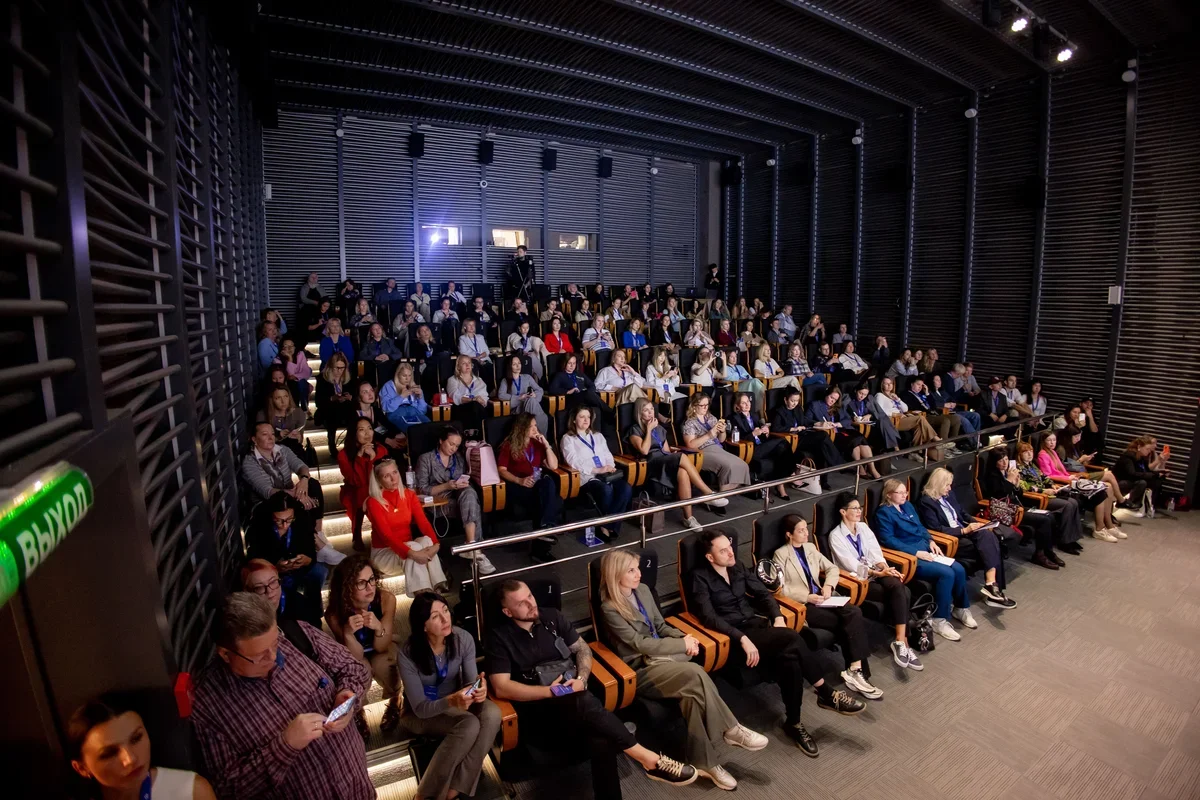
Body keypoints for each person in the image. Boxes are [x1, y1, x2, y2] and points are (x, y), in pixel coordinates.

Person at [487, 580, 698, 794]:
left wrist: (582, 678)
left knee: (602, 739)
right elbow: (501, 687)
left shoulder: (551, 617)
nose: (531, 604)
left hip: (578, 702)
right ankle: (648, 758)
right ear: (507, 612)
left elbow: (583, 649)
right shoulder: (499, 637)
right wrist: (551, 692)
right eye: (521, 603)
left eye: (530, 596)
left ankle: (642, 759)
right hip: (540, 713)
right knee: (586, 708)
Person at [599, 550, 766, 791]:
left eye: (638, 568)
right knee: (695, 673)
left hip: (665, 658)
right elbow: (639, 644)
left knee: (692, 697)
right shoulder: (609, 608)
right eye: (631, 570)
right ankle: (731, 729)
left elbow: (660, 626)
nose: (639, 574)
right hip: (640, 670)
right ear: (616, 575)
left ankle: (706, 763)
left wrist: (684, 638)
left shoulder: (643, 590)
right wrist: (680, 645)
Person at [689, 531, 864, 757]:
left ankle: (794, 723)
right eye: (723, 551)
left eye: (730, 546)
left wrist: (778, 617)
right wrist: (742, 638)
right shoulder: (699, 578)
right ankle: (825, 692)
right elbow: (709, 617)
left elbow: (763, 594)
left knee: (790, 659)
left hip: (756, 629)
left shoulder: (737, 566)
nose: (731, 552)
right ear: (710, 557)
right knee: (791, 638)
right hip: (730, 640)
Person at [192, 593, 373, 800]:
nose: (274, 657)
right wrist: (285, 745)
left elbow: (353, 668)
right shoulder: (207, 705)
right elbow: (228, 789)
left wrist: (347, 695)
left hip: (359, 789)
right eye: (259, 655)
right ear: (226, 654)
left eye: (275, 643)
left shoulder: (296, 635)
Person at [398, 592, 501, 800]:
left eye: (445, 610)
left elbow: (470, 682)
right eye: (435, 616)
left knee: (492, 713)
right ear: (423, 626)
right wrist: (451, 701)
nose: (445, 619)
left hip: (457, 701)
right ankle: (425, 795)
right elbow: (420, 708)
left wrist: (478, 690)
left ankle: (455, 788)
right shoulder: (407, 653)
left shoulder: (462, 638)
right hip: (421, 712)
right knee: (469, 724)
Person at [772, 514, 882, 698]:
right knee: (848, 623)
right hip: (805, 605)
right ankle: (859, 674)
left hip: (825, 598)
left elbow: (832, 568)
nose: (806, 533)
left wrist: (829, 586)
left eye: (806, 529)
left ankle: (855, 670)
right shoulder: (781, 555)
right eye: (800, 531)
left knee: (854, 612)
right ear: (789, 534)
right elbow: (780, 589)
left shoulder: (810, 547)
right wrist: (808, 596)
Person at [827, 494, 922, 669]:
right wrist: (878, 573)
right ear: (843, 512)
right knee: (902, 593)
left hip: (876, 571)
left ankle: (900, 641)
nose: (859, 511)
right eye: (854, 508)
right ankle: (904, 643)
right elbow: (851, 565)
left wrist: (885, 568)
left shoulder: (863, 527)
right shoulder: (836, 536)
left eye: (860, 507)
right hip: (858, 582)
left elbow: (875, 551)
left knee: (898, 585)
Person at [68, 694, 216, 800]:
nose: (130, 759)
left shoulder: (191, 791)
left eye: (136, 738)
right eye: (110, 753)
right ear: (81, 768)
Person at [875, 480, 972, 641]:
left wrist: (931, 540)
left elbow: (920, 527)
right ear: (889, 494)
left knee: (959, 568)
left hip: (926, 548)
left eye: (905, 492)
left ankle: (961, 608)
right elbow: (888, 540)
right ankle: (939, 620)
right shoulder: (884, 513)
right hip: (910, 556)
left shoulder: (907, 506)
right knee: (947, 574)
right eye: (900, 492)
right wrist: (916, 552)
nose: (904, 495)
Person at [324, 555, 402, 738]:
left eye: (372, 579)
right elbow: (355, 656)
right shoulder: (334, 613)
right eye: (361, 583)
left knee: (387, 664)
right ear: (347, 588)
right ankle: (358, 710)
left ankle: (395, 699)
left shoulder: (387, 599)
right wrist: (348, 633)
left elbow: (382, 647)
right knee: (359, 671)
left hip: (381, 645)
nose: (370, 587)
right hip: (355, 653)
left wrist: (378, 627)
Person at [918, 467, 1019, 609]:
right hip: (951, 538)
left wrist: (975, 523)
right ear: (938, 484)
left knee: (988, 535)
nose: (950, 488)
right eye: (947, 485)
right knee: (992, 544)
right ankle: (993, 590)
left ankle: (992, 586)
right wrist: (963, 530)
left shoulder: (949, 495)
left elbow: (962, 513)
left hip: (966, 531)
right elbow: (936, 528)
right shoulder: (926, 502)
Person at [625, 397, 727, 531]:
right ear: (639, 413)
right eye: (646, 410)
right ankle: (708, 493)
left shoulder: (659, 428)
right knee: (682, 457)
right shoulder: (635, 430)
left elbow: (666, 450)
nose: (650, 413)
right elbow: (644, 450)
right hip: (650, 464)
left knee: (683, 472)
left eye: (651, 409)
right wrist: (649, 430)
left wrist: (674, 454)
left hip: (664, 460)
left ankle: (688, 518)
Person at [416, 425, 495, 575]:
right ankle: (476, 552)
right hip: (439, 500)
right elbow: (422, 489)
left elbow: (464, 479)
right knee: (472, 505)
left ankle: (470, 545)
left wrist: (462, 484)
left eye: (457, 446)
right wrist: (447, 485)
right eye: (451, 444)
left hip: (458, 495)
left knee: (469, 493)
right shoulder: (426, 459)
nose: (454, 448)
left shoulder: (458, 458)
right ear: (441, 441)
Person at [245, 491, 328, 626]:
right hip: (273, 574)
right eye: (278, 520)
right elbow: (255, 558)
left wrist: (306, 560)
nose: (284, 525)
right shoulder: (260, 527)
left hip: (298, 568)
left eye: (289, 519)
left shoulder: (301, 520)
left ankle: (315, 616)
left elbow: (310, 551)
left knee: (319, 572)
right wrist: (275, 567)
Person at [365, 458, 447, 592]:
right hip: (384, 554)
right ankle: (424, 593)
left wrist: (436, 544)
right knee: (414, 546)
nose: (393, 479)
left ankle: (438, 585)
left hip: (407, 549)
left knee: (426, 541)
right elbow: (387, 536)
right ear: (378, 480)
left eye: (395, 472)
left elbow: (423, 523)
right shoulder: (373, 502)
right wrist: (413, 553)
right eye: (386, 476)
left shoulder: (409, 495)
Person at [497, 413, 564, 561]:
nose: (535, 429)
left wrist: (546, 445)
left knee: (547, 483)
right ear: (521, 428)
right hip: (517, 485)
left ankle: (545, 529)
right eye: (531, 426)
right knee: (548, 501)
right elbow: (501, 470)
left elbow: (553, 466)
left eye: (535, 426)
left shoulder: (538, 444)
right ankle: (542, 545)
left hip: (536, 484)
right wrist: (519, 480)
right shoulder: (509, 445)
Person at [560, 405, 632, 542]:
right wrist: (597, 470)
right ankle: (611, 527)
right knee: (606, 490)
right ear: (574, 420)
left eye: (588, 417)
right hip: (587, 477)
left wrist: (610, 466)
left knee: (626, 488)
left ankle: (605, 525)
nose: (586, 420)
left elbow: (607, 454)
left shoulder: (598, 436)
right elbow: (573, 462)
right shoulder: (568, 439)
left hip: (606, 474)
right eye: (582, 417)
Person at [983, 451, 1063, 570]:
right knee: (1044, 520)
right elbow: (999, 496)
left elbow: (1019, 494)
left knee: (1049, 515)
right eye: (1000, 460)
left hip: (1018, 507)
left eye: (1006, 459)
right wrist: (1009, 481)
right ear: (995, 463)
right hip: (1005, 511)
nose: (1005, 463)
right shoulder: (992, 476)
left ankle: (1048, 551)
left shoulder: (1008, 472)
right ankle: (1039, 555)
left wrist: (1016, 485)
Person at [1037, 431, 1123, 539]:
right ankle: (1100, 528)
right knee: (1101, 491)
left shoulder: (1053, 452)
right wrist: (1068, 478)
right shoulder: (1042, 455)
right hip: (1063, 483)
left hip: (1070, 478)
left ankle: (1109, 525)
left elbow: (1062, 471)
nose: (1052, 442)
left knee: (1108, 487)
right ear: (1043, 442)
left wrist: (1071, 476)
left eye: (1054, 440)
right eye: (1049, 440)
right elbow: (1048, 475)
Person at [242, 421, 323, 523]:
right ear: (254, 439)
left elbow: (302, 466)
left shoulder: (282, 450)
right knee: (300, 506)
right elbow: (267, 491)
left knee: (313, 484)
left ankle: (318, 528)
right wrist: (297, 495)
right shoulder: (249, 461)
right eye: (265, 434)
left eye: (272, 434)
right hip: (268, 502)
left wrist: (304, 480)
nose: (271, 438)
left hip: (290, 494)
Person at [1015, 441, 1085, 552]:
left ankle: (1072, 538)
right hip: (1036, 497)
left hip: (1047, 494)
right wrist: (1044, 490)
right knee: (1067, 505)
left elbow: (1044, 477)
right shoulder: (1018, 468)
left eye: (1031, 451)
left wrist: (1052, 484)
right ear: (1019, 454)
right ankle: (1064, 542)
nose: (1029, 454)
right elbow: (1025, 487)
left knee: (1074, 502)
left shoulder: (1032, 465)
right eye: (1025, 452)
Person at [727, 391, 797, 499]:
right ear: (737, 406)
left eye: (748, 401)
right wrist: (753, 434)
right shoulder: (733, 418)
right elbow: (735, 439)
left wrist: (765, 431)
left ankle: (780, 485)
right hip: (750, 450)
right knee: (782, 441)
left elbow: (763, 434)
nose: (747, 404)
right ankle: (791, 474)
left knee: (781, 448)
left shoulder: (754, 415)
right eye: (743, 403)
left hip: (762, 446)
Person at [338, 418, 389, 551]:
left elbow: (381, 478)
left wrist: (373, 458)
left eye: (370, 429)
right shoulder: (343, 455)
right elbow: (356, 480)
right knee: (362, 493)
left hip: (378, 488)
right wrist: (359, 458)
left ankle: (381, 530)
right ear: (354, 433)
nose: (367, 433)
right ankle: (360, 533)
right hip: (354, 489)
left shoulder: (381, 449)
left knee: (370, 493)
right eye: (361, 430)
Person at [804, 388, 880, 478]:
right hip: (831, 435)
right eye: (831, 397)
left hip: (841, 430)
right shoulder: (815, 405)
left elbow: (848, 419)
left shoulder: (837, 406)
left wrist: (839, 424)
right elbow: (806, 420)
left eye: (835, 399)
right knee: (855, 441)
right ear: (826, 394)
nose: (833, 401)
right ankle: (860, 468)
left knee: (860, 438)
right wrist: (819, 423)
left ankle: (872, 469)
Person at [681, 392, 751, 489]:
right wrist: (709, 435)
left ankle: (729, 492)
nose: (705, 407)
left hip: (717, 448)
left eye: (707, 404)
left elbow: (721, 440)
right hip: (702, 451)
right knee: (729, 466)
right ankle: (722, 494)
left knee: (743, 465)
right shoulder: (690, 423)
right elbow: (690, 445)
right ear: (694, 406)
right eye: (702, 405)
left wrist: (722, 431)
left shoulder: (711, 418)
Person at [874, 377, 943, 458]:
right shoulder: (879, 396)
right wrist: (896, 414)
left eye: (891, 383)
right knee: (920, 418)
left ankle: (914, 452)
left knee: (919, 427)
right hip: (891, 421)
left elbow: (905, 409)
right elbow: (880, 411)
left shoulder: (893, 395)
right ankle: (937, 440)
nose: (889, 385)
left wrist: (898, 399)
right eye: (886, 383)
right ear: (882, 385)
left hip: (902, 418)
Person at [1113, 436, 1167, 516]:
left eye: (1149, 449)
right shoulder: (1128, 457)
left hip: (1131, 479)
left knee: (1156, 481)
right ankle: (1129, 503)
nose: (1149, 451)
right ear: (1139, 447)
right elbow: (1132, 473)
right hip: (1120, 481)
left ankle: (1147, 505)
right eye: (1147, 449)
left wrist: (1159, 474)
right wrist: (1152, 475)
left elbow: (1146, 471)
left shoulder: (1142, 458)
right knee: (1142, 482)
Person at [903, 377, 964, 449]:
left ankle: (952, 445)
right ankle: (943, 447)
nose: (920, 387)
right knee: (945, 421)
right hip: (923, 416)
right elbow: (911, 408)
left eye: (922, 385)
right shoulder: (906, 394)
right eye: (918, 384)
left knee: (956, 419)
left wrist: (927, 393)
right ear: (912, 384)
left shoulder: (922, 394)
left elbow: (934, 406)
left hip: (933, 414)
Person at [498, 354, 549, 434]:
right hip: (517, 408)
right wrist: (519, 397)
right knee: (543, 416)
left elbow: (539, 390)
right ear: (510, 366)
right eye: (514, 364)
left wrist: (535, 395)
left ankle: (537, 436)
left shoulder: (527, 377)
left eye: (519, 363)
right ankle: (541, 437)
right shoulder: (505, 380)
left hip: (531, 404)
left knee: (531, 400)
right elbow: (501, 395)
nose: (518, 366)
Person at [257, 386, 307, 461]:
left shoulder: (298, 413)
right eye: (278, 398)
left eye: (286, 396)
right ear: (272, 400)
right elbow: (260, 442)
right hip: (269, 454)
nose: (283, 401)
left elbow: (300, 440)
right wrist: (279, 437)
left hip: (293, 452)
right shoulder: (262, 415)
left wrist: (297, 437)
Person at [378, 362, 430, 433]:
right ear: (398, 374)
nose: (407, 379)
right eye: (404, 375)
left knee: (429, 426)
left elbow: (422, 411)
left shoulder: (413, 386)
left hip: (414, 412)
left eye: (409, 375)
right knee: (411, 430)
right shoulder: (388, 386)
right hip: (397, 413)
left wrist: (420, 397)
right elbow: (386, 408)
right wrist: (401, 396)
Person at [446, 355, 490, 433]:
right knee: (474, 405)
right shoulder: (453, 380)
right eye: (464, 363)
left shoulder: (479, 381)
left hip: (478, 409)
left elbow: (484, 397)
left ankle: (480, 434)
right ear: (458, 367)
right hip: (460, 408)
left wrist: (481, 401)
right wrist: (473, 399)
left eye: (469, 363)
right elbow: (455, 396)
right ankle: (477, 433)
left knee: (478, 407)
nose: (467, 365)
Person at [719, 347, 764, 414]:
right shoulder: (725, 368)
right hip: (736, 387)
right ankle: (765, 393)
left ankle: (762, 401)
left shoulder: (740, 367)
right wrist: (743, 380)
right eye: (732, 357)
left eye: (735, 357)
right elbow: (728, 380)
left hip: (746, 384)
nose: (734, 359)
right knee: (755, 381)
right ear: (727, 358)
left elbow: (750, 378)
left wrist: (744, 380)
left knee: (756, 385)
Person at [276, 337, 312, 407]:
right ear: (282, 349)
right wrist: (290, 359)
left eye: (291, 346)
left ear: (295, 347)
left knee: (301, 383)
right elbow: (289, 376)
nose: (289, 348)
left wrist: (295, 376)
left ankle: (304, 407)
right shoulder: (277, 360)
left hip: (300, 383)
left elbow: (306, 372)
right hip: (286, 384)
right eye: (286, 346)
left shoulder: (300, 354)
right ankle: (296, 407)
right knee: (294, 384)